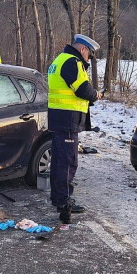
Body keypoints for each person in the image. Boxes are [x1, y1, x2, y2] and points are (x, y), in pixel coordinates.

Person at [47, 34, 102, 223]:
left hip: (60, 119)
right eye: (90, 55)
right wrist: (96, 94)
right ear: (83, 49)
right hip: (67, 120)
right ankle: (64, 202)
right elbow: (82, 90)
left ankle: (58, 198)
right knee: (68, 163)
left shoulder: (60, 59)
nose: (89, 59)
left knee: (59, 161)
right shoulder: (72, 62)